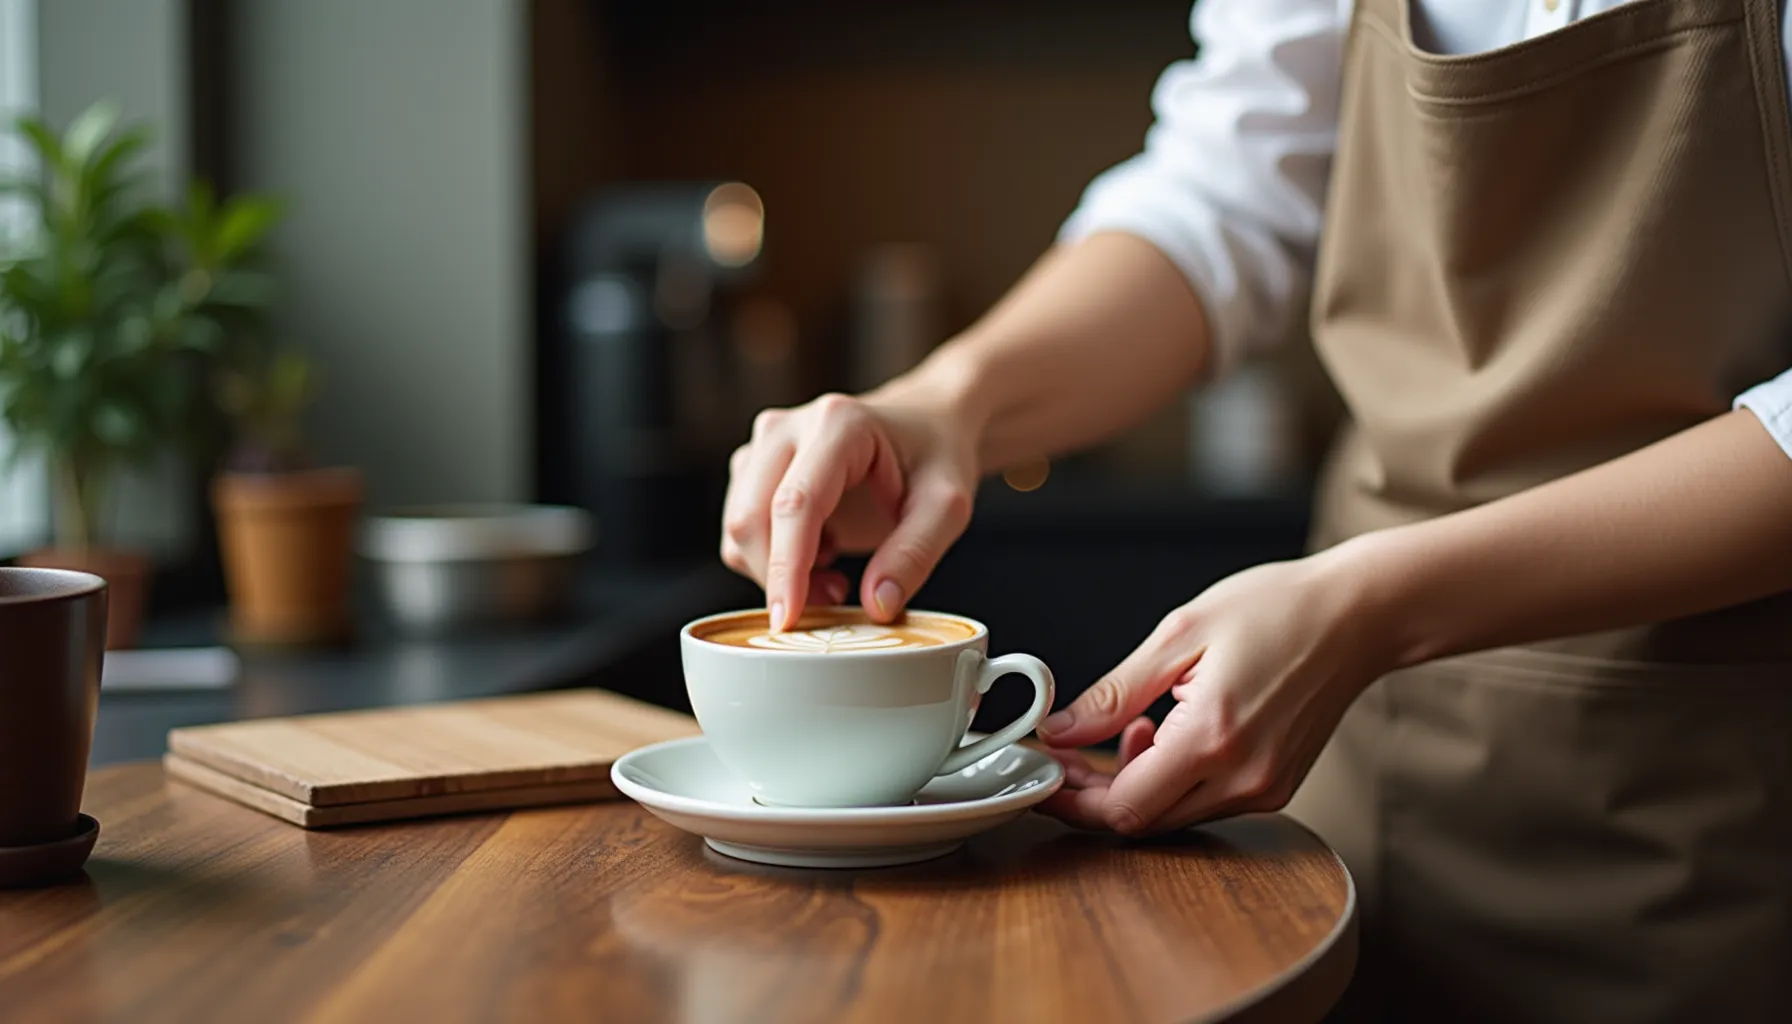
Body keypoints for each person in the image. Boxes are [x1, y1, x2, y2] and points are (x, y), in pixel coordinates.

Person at [717, 1, 1792, 1019]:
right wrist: (945, 406)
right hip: (1359, 801)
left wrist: (1372, 605)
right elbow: (1227, 195)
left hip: (1712, 814)